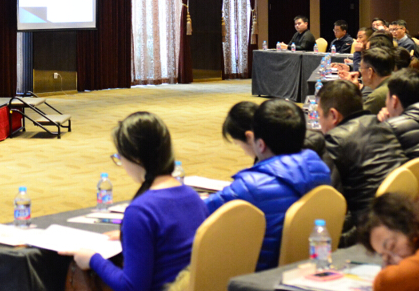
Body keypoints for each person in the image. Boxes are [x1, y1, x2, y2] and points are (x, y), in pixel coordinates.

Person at [65, 112, 207, 291]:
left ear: (136, 158)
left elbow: (131, 287)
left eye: (120, 157)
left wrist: (92, 259)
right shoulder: (193, 197)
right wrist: (132, 236)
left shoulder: (141, 211)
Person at [205, 99, 331, 270]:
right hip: (306, 266)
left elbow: (199, 212)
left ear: (260, 144)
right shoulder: (320, 170)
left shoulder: (251, 186)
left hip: (259, 274)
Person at [318, 81, 405, 243]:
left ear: (334, 115)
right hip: (402, 217)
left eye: (319, 115)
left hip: (366, 230)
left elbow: (330, 201)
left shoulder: (336, 140)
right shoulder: (384, 126)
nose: (319, 122)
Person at [359, 47, 397, 115]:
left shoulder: (377, 96)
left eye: (361, 68)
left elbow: (358, 120)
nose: (360, 72)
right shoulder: (396, 81)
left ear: (370, 72)